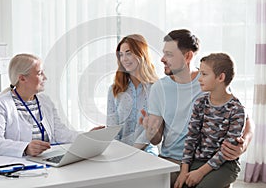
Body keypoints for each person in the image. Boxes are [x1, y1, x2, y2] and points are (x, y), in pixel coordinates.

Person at [139, 29, 253, 187]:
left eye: (169, 54)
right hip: (171, 159)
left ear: (188, 56)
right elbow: (157, 139)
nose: (162, 59)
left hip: (207, 161)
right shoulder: (159, 88)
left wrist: (243, 144)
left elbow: (245, 120)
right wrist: (151, 132)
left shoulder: (210, 82)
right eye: (164, 53)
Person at [0, 53, 103, 158]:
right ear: (22, 78)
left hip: (45, 162)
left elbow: (60, 133)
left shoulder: (45, 101)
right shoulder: (1, 104)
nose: (45, 78)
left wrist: (86, 136)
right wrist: (25, 148)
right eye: (40, 73)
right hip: (18, 166)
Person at [175, 53, 245, 188]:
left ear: (221, 77)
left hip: (225, 164)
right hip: (199, 159)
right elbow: (191, 138)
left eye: (204, 74)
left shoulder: (237, 109)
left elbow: (227, 150)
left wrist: (200, 173)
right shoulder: (200, 103)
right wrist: (184, 170)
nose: (199, 79)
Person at [106, 34, 159, 155]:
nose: (124, 58)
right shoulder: (114, 90)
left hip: (146, 152)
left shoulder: (156, 88)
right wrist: (118, 153)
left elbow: (150, 130)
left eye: (128, 53)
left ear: (141, 53)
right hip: (119, 152)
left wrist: (131, 152)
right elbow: (111, 129)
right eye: (121, 54)